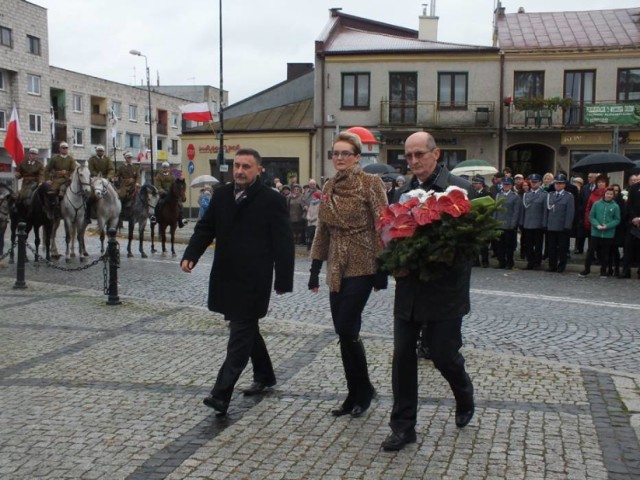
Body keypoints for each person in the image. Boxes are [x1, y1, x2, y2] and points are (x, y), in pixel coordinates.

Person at [180, 148, 294, 416]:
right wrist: (191, 254)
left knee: (240, 334)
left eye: (246, 166)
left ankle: (221, 394)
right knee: (246, 328)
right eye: (237, 165)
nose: (240, 170)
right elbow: (206, 227)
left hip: (255, 279)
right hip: (226, 275)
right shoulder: (221, 195)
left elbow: (284, 242)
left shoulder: (270, 199)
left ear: (258, 169)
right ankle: (265, 375)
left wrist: (284, 279)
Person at [381, 131, 475, 452]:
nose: (413, 161)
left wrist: (439, 256)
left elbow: (470, 243)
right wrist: (394, 260)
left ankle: (463, 392)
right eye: (408, 156)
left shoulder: (459, 190)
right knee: (402, 357)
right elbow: (391, 233)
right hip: (409, 289)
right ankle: (403, 426)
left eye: (419, 154)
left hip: (445, 290)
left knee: (443, 355)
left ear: (436, 154)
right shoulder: (404, 192)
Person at [308, 131, 388, 419]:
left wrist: (383, 266)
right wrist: (316, 267)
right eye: (335, 153)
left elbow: (384, 223)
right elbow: (323, 229)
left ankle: (362, 390)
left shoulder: (370, 183)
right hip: (337, 265)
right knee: (345, 333)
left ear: (357, 156)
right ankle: (356, 391)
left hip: (363, 260)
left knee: (345, 326)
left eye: (345, 153)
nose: (339, 158)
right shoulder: (329, 185)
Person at [579, 187, 620, 277]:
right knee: (590, 252)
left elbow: (617, 219)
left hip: (608, 234)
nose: (609, 195)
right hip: (596, 232)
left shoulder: (615, 206)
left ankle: (603, 271)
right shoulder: (597, 204)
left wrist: (607, 226)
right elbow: (591, 216)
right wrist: (597, 225)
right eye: (607, 193)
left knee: (605, 253)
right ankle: (586, 269)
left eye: (611, 194)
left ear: (613, 196)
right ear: (604, 194)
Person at [544, 174, 574, 273]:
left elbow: (570, 212)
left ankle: (561, 266)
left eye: (560, 183)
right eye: (557, 183)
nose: (558, 185)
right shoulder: (550, 195)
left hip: (562, 226)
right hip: (551, 225)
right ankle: (552, 265)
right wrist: (545, 224)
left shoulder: (568, 196)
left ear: (564, 185)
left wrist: (567, 225)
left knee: (562, 248)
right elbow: (546, 211)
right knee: (551, 247)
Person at [493, 176, 522, 269]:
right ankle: (501, 262)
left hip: (509, 225)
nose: (505, 186)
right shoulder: (498, 195)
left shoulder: (515, 197)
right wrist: (494, 222)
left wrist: (513, 225)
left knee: (509, 246)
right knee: (499, 246)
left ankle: (510, 263)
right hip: (499, 224)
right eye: (504, 184)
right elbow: (495, 209)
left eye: (507, 184)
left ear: (511, 185)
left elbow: (516, 212)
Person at [521, 174, 548, 270]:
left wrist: (544, 223)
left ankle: (537, 262)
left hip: (538, 224)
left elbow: (545, 210)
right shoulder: (526, 194)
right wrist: (522, 222)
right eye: (532, 182)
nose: (533, 183)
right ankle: (530, 262)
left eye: (535, 182)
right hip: (527, 223)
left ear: (540, 183)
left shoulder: (544, 195)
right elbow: (523, 210)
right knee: (528, 245)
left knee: (538, 245)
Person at [86, 145, 115, 223]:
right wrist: (97, 175)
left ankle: (115, 212)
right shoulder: (92, 159)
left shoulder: (107, 159)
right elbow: (90, 169)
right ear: (96, 152)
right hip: (95, 179)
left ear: (103, 152)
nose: (100, 152)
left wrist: (108, 177)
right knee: (89, 196)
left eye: (101, 151)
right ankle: (87, 215)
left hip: (106, 179)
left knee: (115, 192)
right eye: (99, 151)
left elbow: (111, 169)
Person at [155, 161, 185, 228]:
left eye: (166, 167)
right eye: (164, 167)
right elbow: (158, 186)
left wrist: (181, 177)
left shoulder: (173, 173)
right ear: (162, 168)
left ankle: (181, 220)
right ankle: (155, 218)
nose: (165, 168)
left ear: (169, 168)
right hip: (163, 193)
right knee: (158, 204)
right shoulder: (158, 175)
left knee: (180, 205)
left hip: (172, 193)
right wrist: (162, 191)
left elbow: (179, 178)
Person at [46, 142, 76, 206]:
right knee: (51, 192)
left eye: (66, 148)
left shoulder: (71, 159)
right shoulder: (55, 158)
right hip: (56, 179)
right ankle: (53, 207)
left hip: (67, 179)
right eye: (63, 148)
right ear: (60, 149)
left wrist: (67, 173)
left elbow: (73, 170)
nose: (65, 149)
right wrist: (48, 179)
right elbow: (47, 169)